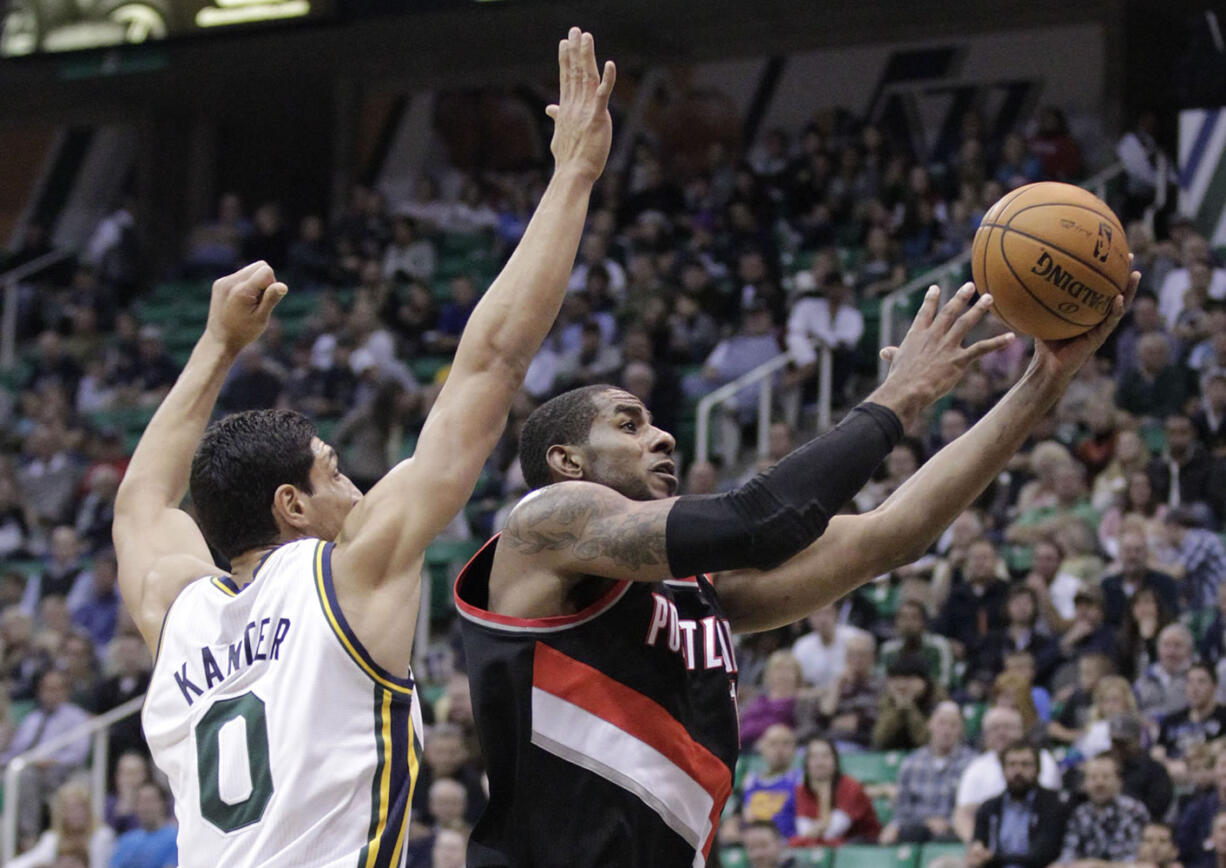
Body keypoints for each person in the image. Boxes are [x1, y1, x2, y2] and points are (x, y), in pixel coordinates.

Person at [116, 28, 617, 866]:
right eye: (335, 471)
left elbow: (140, 503)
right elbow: (488, 367)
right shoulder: (347, 568)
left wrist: (214, 346)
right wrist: (573, 176)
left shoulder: (176, 613)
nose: (357, 488)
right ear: (292, 506)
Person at [453, 260, 1138, 866]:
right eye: (628, 425)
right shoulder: (543, 523)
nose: (662, 436)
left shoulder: (694, 588)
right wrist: (900, 396)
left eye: (655, 422)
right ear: (566, 462)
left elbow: (892, 537)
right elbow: (761, 520)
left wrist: (1043, 383)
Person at [0, 670, 92, 849]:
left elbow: (78, 754)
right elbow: (17, 751)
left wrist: (51, 760)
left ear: (65, 692)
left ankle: (28, 838)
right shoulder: (33, 718)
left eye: (56, 689)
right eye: (47, 689)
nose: (51, 694)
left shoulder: (76, 717)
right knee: (22, 773)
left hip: (59, 772)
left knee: (25, 776)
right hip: (27, 768)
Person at [954, 707, 1062, 842]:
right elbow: (963, 814)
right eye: (994, 728)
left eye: (1007, 727)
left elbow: (1049, 804)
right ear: (985, 735)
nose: (1001, 733)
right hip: (990, 842)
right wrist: (976, 844)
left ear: (1021, 731)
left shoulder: (1043, 759)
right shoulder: (976, 767)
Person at [879, 701, 976, 845]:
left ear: (961, 730)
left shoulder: (972, 764)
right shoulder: (911, 763)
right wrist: (898, 825)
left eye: (953, 725)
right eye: (941, 723)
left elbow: (971, 809)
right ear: (930, 724)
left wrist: (948, 823)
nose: (946, 730)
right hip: (914, 830)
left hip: (953, 832)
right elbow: (902, 809)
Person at [967, 741, 1068, 868]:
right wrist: (977, 852)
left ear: (1037, 769)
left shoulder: (1053, 804)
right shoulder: (989, 808)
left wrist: (993, 858)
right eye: (1012, 764)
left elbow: (1043, 855)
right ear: (1003, 769)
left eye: (1025, 764)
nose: (1018, 771)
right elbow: (979, 846)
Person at [1056, 753, 1149, 866]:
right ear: (1084, 784)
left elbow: (1137, 859)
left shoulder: (1133, 810)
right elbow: (1068, 855)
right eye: (1093, 778)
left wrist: (1097, 865)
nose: (1099, 783)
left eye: (1106, 777)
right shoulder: (1080, 813)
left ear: (1119, 782)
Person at [789, 737, 880, 846]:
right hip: (828, 847)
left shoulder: (850, 786)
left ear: (835, 761)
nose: (819, 762)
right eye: (813, 757)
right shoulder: (802, 789)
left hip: (862, 846)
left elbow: (831, 832)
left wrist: (824, 796)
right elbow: (804, 832)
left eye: (825, 756)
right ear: (806, 764)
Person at [6, 779, 115, 868]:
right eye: (70, 809)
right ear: (61, 813)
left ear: (89, 809)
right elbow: (14, 865)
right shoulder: (52, 839)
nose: (76, 813)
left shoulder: (102, 836)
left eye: (80, 807)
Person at [1156, 662, 1226, 787]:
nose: (1195, 688)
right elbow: (1157, 753)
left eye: (1201, 682)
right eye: (1190, 682)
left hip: (1212, 786)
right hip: (1172, 782)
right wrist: (1169, 766)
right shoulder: (1171, 720)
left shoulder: (1223, 718)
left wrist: (1193, 776)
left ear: (1214, 686)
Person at [108, 782, 177, 868]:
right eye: (141, 801)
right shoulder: (126, 840)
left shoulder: (175, 838)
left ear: (162, 804)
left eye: (150, 801)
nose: (146, 807)